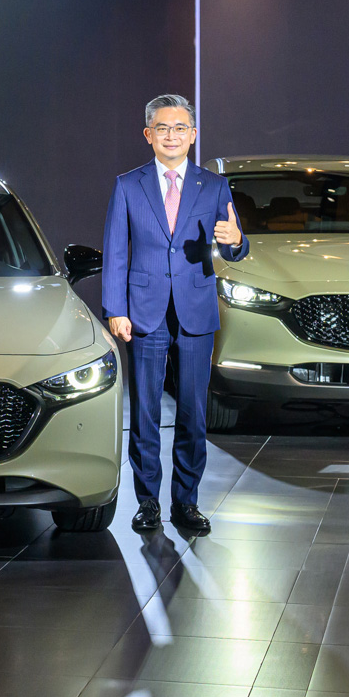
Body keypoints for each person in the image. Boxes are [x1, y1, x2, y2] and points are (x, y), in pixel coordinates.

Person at [101, 94, 245, 535]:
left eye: (180, 128)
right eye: (162, 128)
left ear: (193, 135)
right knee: (144, 412)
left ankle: (186, 501)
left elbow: (234, 247)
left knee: (193, 413)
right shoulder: (128, 185)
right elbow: (116, 252)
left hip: (195, 311)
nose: (171, 136)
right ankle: (147, 502)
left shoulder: (214, 186)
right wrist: (115, 309)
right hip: (143, 313)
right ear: (148, 135)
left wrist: (236, 240)